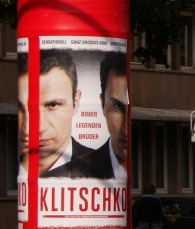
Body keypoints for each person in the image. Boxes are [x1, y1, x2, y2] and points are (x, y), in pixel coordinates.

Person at [17, 49, 105, 178]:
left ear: (76, 101)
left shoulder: (103, 169)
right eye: (20, 107)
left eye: (52, 105)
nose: (28, 128)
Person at [74, 52, 128, 180]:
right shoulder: (76, 172)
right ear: (102, 103)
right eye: (118, 107)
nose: (126, 129)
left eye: (130, 110)